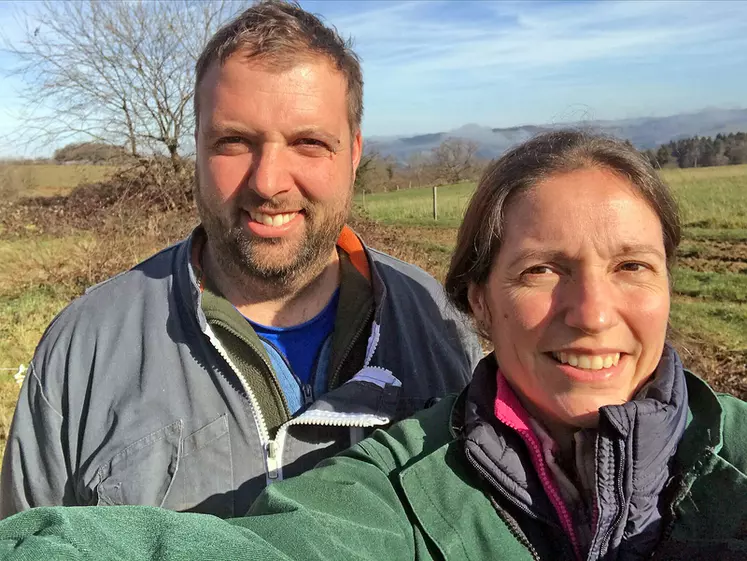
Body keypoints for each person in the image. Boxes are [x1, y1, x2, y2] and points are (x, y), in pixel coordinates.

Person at [2, 130, 746, 560]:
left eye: (630, 266)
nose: (590, 311)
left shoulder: (733, 460)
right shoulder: (399, 486)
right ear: (479, 301)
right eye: (541, 269)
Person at [0, 0, 482, 519]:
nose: (269, 182)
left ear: (354, 153)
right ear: (199, 151)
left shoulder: (437, 320)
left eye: (309, 142)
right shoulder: (85, 348)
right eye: (233, 142)